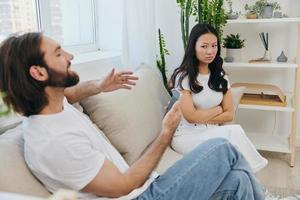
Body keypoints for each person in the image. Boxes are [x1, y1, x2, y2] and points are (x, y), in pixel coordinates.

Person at [0, 32, 265, 200]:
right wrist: (166, 132)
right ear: (39, 73)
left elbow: (70, 95)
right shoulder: (52, 141)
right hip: (141, 196)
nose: (70, 56)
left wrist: (99, 86)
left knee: (239, 180)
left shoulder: (50, 104)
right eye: (59, 53)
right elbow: (123, 185)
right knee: (222, 147)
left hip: (146, 187)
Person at [169, 23, 268, 173]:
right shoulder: (183, 76)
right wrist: (217, 109)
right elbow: (191, 117)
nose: (210, 51)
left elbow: (229, 114)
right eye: (204, 46)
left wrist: (202, 117)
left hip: (211, 131)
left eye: (214, 45)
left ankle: (250, 182)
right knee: (234, 132)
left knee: (233, 142)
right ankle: (256, 180)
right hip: (186, 136)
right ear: (193, 47)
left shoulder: (220, 76)